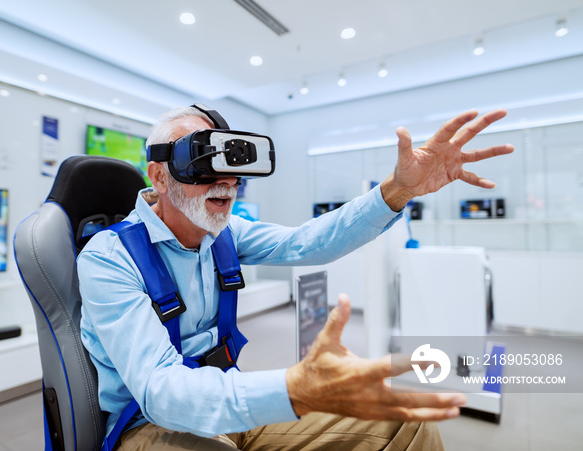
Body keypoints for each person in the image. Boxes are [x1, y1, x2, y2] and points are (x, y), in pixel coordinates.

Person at [77, 105, 513, 450]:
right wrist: (295, 389)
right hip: (148, 424)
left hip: (227, 395)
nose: (227, 181)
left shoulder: (223, 232)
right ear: (159, 175)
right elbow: (160, 389)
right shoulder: (109, 259)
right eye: (203, 162)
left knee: (403, 424)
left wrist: (397, 190)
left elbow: (308, 243)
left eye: (233, 165)